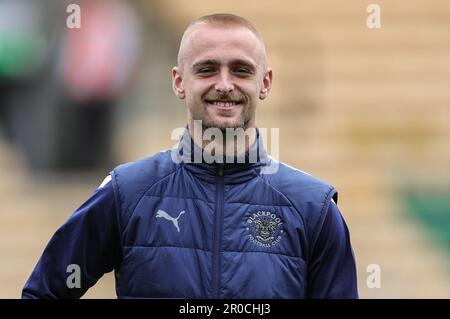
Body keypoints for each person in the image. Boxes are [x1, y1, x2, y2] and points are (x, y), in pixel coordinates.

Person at [22, 13, 358, 299]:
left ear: (265, 83)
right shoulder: (128, 192)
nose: (225, 84)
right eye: (207, 69)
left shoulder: (314, 207)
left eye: (241, 70)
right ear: (179, 81)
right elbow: (44, 291)